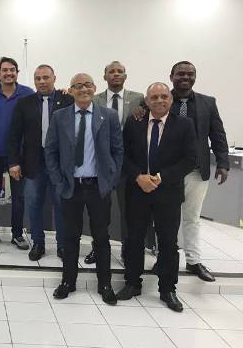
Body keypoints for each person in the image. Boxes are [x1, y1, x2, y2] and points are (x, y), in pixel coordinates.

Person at [117, 82, 196, 312]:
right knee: (134, 239)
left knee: (168, 242)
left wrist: (162, 177)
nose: (160, 100)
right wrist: (138, 176)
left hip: (168, 193)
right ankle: (132, 283)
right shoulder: (134, 122)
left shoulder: (185, 125)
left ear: (170, 99)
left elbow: (190, 159)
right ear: (147, 101)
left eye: (164, 96)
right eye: (154, 97)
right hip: (137, 191)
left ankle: (168, 289)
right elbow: (123, 154)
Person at [45, 73, 123, 305]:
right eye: (78, 86)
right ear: (70, 91)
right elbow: (50, 151)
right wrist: (58, 182)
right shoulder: (59, 116)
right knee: (70, 237)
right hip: (71, 187)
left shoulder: (108, 116)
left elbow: (118, 150)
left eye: (87, 85)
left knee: (101, 237)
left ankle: (105, 284)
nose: (83, 89)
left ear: (94, 88)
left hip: (98, 187)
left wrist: (111, 180)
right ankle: (68, 282)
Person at [169, 61, 229, 282]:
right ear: (171, 76)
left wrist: (223, 163)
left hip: (197, 171)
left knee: (192, 218)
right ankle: (165, 258)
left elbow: (218, 134)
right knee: (166, 219)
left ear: (195, 77)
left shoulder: (207, 103)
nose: (185, 77)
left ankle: (193, 261)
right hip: (169, 172)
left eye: (190, 74)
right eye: (180, 74)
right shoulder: (161, 98)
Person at [9, 64, 73, 261]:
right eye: (38, 78)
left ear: (54, 78)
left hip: (59, 165)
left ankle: (63, 245)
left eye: (46, 77)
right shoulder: (24, 103)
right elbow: (14, 134)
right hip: (32, 164)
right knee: (34, 204)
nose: (42, 82)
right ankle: (38, 243)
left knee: (61, 205)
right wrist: (13, 162)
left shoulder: (67, 100)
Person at [85, 62, 145, 264]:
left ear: (125, 76)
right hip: (101, 162)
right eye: (111, 72)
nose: (116, 74)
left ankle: (128, 250)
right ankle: (99, 248)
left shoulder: (138, 99)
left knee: (128, 211)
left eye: (120, 71)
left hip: (128, 163)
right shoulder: (94, 99)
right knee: (100, 211)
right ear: (104, 76)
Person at [0, 57, 34, 249]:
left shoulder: (28, 93)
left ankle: (17, 234)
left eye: (12, 70)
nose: (8, 73)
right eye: (4, 70)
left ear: (17, 73)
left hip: (19, 156)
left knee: (19, 198)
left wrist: (64, 91)